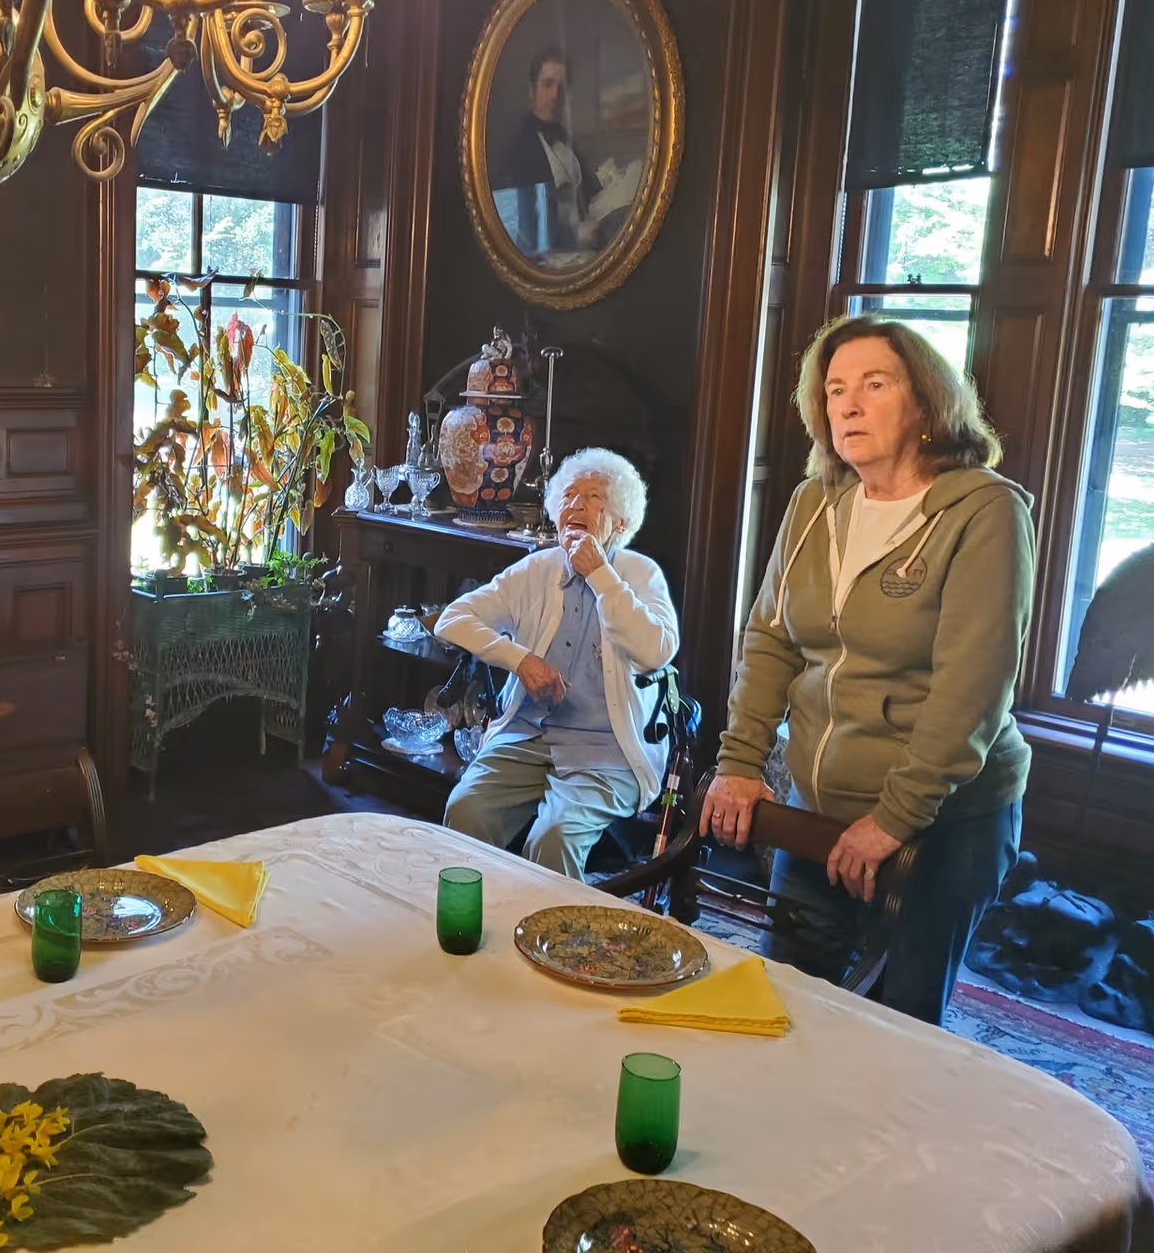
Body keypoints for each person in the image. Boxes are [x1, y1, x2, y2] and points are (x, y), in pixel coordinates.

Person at [704, 315, 1034, 1025]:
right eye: (833, 390)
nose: (848, 405)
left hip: (941, 820)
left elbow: (971, 689)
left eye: (874, 385)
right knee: (781, 1003)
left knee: (896, 1027)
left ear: (924, 402)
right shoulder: (812, 504)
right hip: (819, 808)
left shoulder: (985, 513)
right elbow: (770, 640)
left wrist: (894, 819)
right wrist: (740, 762)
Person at [436, 449, 680, 879]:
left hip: (606, 752)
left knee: (553, 838)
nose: (576, 505)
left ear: (621, 522)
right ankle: (473, 921)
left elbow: (658, 650)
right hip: (526, 736)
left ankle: (556, 941)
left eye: (593, 497)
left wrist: (601, 575)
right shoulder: (537, 569)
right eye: (568, 496)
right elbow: (451, 619)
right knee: (465, 810)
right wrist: (519, 659)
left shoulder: (642, 575)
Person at [492, 47, 599, 258]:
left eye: (562, 87)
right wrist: (576, 236)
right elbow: (524, 233)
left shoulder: (565, 139)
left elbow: (589, 189)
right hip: (548, 262)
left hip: (583, 250)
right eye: (547, 84)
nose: (555, 95)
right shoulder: (521, 149)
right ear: (531, 90)